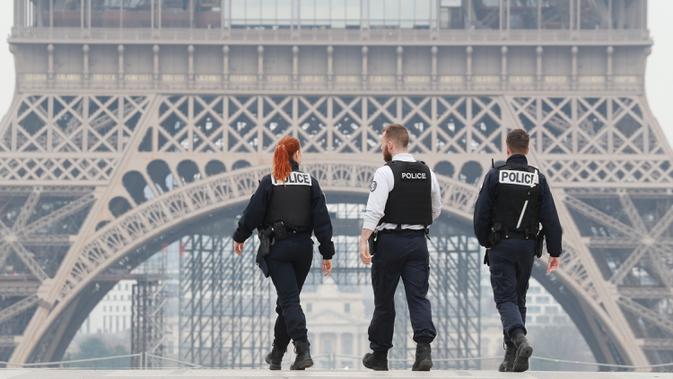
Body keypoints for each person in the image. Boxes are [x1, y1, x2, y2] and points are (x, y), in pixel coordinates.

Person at [232, 135, 335, 371]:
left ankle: (302, 349)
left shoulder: (270, 182)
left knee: (289, 301)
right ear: (297, 154)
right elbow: (322, 221)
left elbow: (252, 214)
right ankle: (277, 353)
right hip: (303, 250)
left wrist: (240, 236)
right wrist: (327, 252)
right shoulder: (311, 182)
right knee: (287, 303)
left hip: (278, 248)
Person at [473, 129, 563, 373]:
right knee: (518, 298)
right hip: (526, 246)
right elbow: (551, 219)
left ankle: (519, 338)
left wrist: (485, 240)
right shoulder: (538, 178)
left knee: (505, 298)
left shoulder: (495, 175)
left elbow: (481, 213)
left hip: (501, 244)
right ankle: (512, 356)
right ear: (528, 148)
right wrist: (554, 251)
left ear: (507, 148)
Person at [359, 124, 442, 371]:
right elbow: (436, 210)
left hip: (390, 243)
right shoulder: (428, 173)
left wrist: (364, 239)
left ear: (391, 145)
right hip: (417, 243)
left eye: (383, 143)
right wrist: (415, 222)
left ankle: (380, 354)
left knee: (384, 300)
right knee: (418, 297)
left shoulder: (385, 173)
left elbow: (375, 210)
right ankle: (424, 350)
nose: (382, 148)